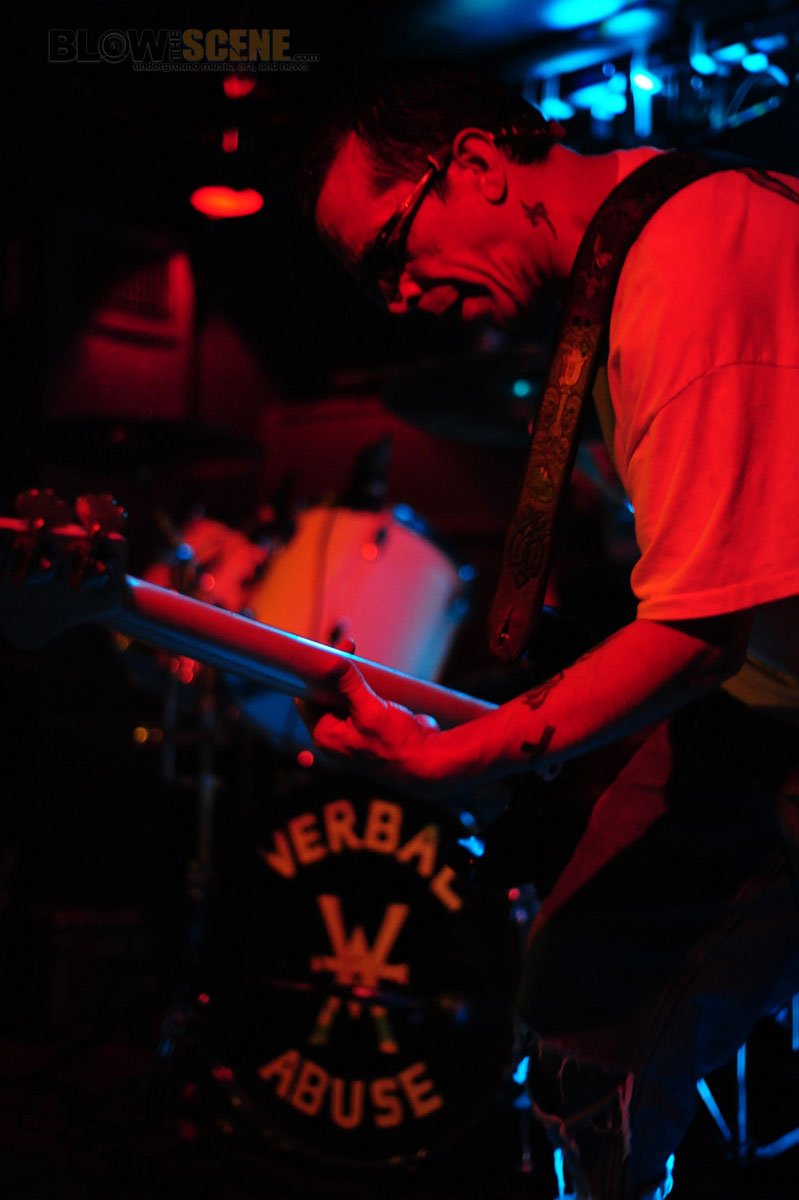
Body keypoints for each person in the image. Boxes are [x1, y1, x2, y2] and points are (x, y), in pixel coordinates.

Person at [297, 60, 799, 1200]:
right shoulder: (641, 250)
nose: (395, 298)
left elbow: (697, 635)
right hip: (769, 701)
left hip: (753, 687)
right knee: (583, 1007)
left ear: (475, 165)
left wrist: (456, 755)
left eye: (389, 253)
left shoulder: (680, 271)